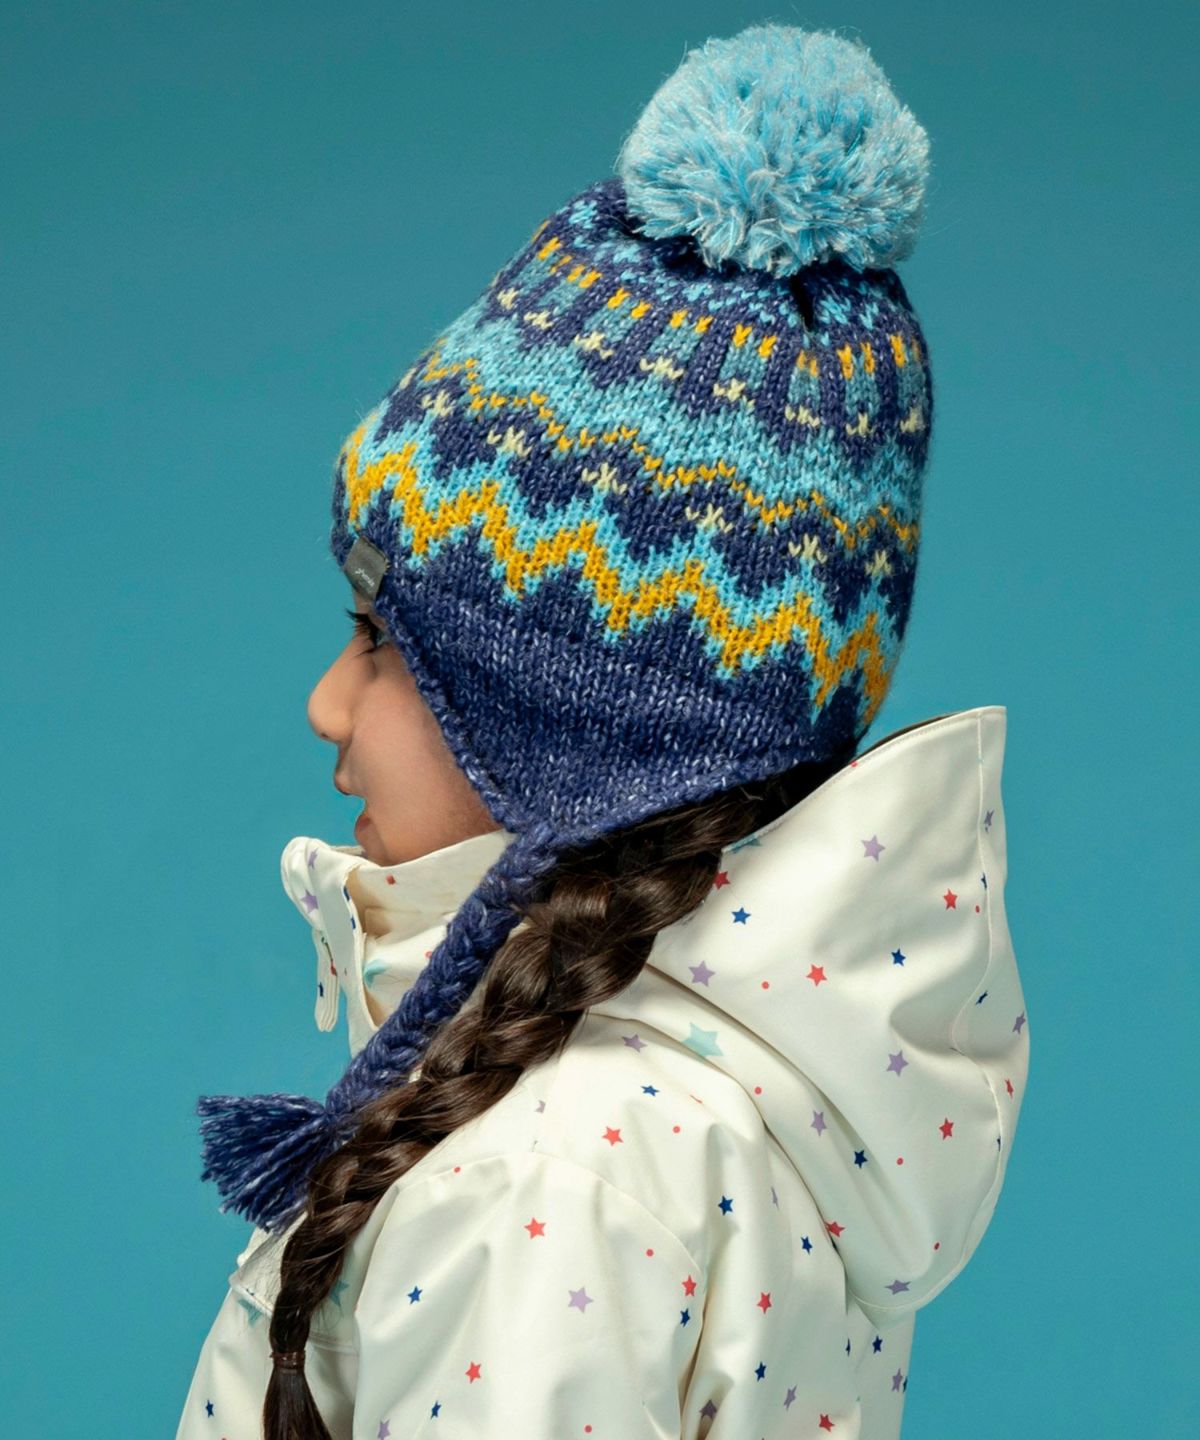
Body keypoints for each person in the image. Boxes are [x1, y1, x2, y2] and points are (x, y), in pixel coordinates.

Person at [176, 22, 1030, 1440]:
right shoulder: (715, 1120)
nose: (328, 701)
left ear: (570, 728)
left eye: (382, 641)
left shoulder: (547, 1181)